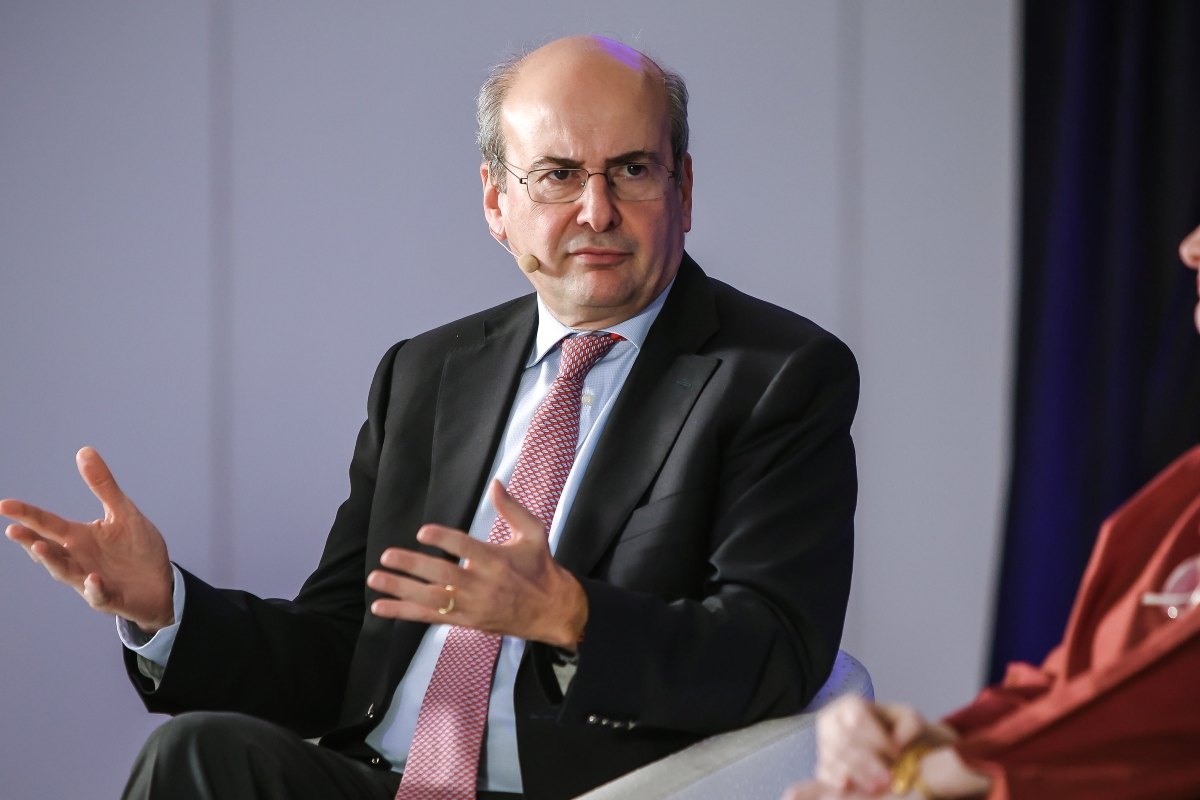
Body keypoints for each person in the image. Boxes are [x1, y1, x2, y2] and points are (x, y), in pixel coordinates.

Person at [2, 36, 859, 800]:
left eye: (632, 170)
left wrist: (571, 617)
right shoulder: (428, 373)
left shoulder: (777, 375)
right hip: (385, 778)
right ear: (496, 201)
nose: (596, 211)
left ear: (684, 188)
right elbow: (343, 642)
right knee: (198, 758)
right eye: (558, 175)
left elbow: (776, 648)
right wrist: (170, 609)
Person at [784, 222, 1200, 800]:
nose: (1190, 248)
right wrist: (941, 740)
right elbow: (1077, 685)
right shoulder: (1181, 499)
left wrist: (946, 777)